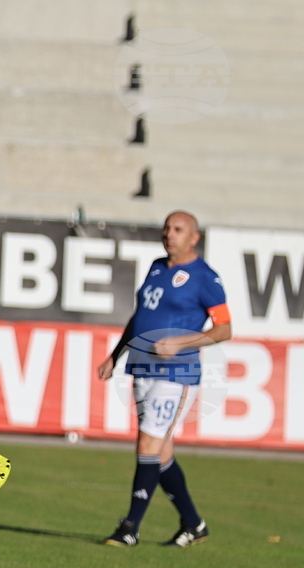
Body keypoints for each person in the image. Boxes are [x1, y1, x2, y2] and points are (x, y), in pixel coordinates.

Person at [97, 211, 232, 548]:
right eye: (167, 228)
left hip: (177, 373)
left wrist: (181, 342)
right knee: (160, 452)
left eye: (178, 229)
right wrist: (116, 355)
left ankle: (130, 527)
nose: (169, 234)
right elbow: (139, 316)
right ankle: (193, 523)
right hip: (142, 367)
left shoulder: (205, 278)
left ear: (194, 238)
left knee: (147, 445)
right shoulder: (157, 267)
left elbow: (224, 329)